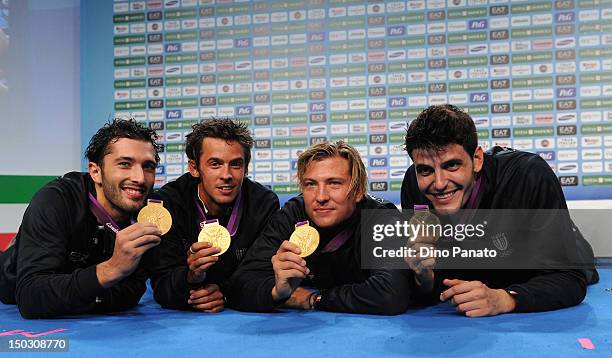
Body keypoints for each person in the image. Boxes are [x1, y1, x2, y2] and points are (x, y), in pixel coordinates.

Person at [401, 104, 598, 317]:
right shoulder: (414, 184)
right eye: (425, 170)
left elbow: (568, 278)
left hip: (544, 259)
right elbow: (434, 276)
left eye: (452, 166)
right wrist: (424, 277)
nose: (439, 183)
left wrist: (504, 298)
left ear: (477, 159)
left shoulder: (529, 175)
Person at [0, 119, 162, 318]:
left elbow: (130, 293)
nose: (139, 178)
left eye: (148, 167)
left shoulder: (150, 211)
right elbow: (31, 297)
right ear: (95, 172)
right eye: (124, 164)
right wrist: (111, 269)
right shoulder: (56, 200)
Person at [228, 141, 411, 315]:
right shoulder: (293, 215)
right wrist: (277, 291)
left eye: (334, 183)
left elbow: (390, 293)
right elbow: (240, 285)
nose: (321, 196)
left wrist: (315, 299)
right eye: (311, 184)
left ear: (358, 191)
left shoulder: (381, 217)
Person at [145, 118, 279, 313]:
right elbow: (163, 286)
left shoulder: (263, 204)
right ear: (194, 168)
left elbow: (262, 274)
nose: (227, 175)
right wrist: (190, 277)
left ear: (246, 168)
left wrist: (225, 294)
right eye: (215, 164)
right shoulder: (169, 205)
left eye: (236, 164)